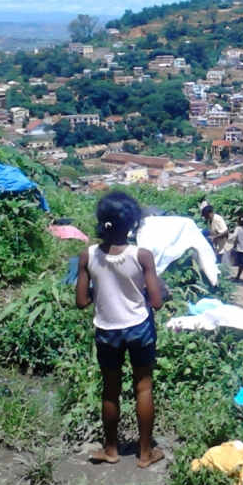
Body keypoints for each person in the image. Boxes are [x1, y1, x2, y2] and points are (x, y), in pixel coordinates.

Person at [75, 192, 165, 468]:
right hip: (139, 328)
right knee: (144, 387)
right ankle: (146, 453)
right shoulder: (141, 256)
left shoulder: (87, 255)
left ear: (103, 223)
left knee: (110, 390)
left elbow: (81, 302)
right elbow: (156, 302)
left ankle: (111, 450)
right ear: (132, 223)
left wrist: (96, 291)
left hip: (107, 330)